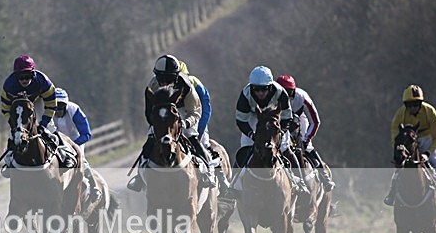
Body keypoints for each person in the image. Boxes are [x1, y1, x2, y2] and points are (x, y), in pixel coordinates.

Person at [127, 54, 211, 192]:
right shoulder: (152, 85)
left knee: (193, 139)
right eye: (161, 78)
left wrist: (185, 123)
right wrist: (158, 124)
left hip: (184, 113)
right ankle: (139, 177)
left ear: (176, 76)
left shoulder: (186, 86)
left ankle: (207, 172)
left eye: (168, 78)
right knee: (149, 142)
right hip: (161, 115)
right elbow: (149, 113)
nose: (164, 83)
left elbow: (195, 111)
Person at [229, 65, 309, 195]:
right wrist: (251, 134)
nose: (260, 93)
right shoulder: (245, 95)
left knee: (285, 148)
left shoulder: (281, 93)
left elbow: (287, 117)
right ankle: (234, 184)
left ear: (270, 86)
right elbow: (241, 121)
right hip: (253, 119)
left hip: (275, 120)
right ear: (251, 87)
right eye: (256, 89)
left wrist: (281, 132)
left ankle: (299, 182)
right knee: (246, 148)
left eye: (264, 89)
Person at [0, 55, 60, 177]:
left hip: (38, 101)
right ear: (15, 77)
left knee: (50, 129)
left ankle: (62, 155)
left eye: (28, 76)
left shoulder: (43, 82)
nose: (24, 80)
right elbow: (5, 109)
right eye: (21, 77)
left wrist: (43, 124)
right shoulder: (9, 86)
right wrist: (14, 125)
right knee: (14, 135)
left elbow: (51, 105)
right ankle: (10, 160)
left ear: (34, 74)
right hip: (17, 107)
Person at [384, 84, 436, 206]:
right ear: (405, 105)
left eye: (416, 104)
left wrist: (427, 154)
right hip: (409, 141)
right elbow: (395, 135)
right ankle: (392, 194)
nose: (413, 108)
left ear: (421, 103)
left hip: (429, 140)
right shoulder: (400, 114)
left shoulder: (430, 112)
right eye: (409, 105)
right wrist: (399, 149)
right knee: (399, 168)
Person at [177, 59, 232, 192]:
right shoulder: (165, 84)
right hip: (176, 117)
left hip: (195, 116)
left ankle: (218, 176)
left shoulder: (194, 83)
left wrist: (200, 129)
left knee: (204, 145)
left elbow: (205, 107)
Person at [275, 74, 335, 192]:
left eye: (288, 92)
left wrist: (306, 140)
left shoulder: (302, 97)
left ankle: (324, 176)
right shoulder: (271, 97)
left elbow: (315, 121)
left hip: (298, 118)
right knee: (282, 146)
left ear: (294, 90)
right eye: (283, 92)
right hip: (280, 120)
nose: (286, 96)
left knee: (307, 147)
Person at [53, 88, 101, 201]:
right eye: (55, 107)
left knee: (81, 160)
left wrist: (73, 144)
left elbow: (87, 134)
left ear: (66, 105)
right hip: (57, 141)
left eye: (61, 107)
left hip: (75, 140)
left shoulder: (74, 110)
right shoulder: (48, 112)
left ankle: (94, 187)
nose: (58, 111)